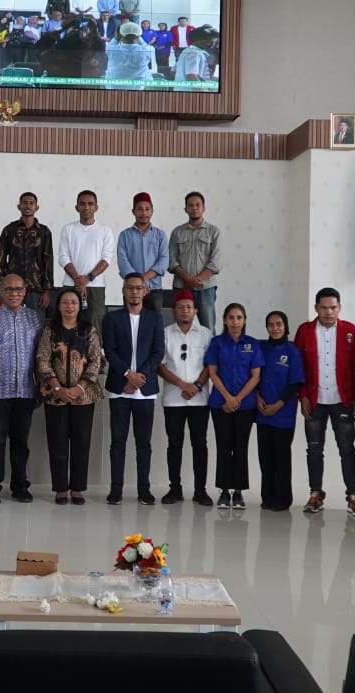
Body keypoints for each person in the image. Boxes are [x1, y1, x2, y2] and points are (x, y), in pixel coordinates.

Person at [294, 287, 355, 517]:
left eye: (333, 307)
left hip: (342, 401)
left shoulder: (350, 331)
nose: (328, 312)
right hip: (314, 401)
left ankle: (354, 497)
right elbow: (298, 368)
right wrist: (303, 396)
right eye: (324, 307)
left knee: (347, 450)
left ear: (339, 308)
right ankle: (315, 494)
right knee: (314, 450)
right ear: (316, 308)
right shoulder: (304, 331)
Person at [0, 274, 45, 505]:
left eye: (18, 289)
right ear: (0, 292)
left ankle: (20, 486)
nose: (14, 293)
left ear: (25, 291)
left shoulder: (35, 318)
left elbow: (40, 356)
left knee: (20, 442)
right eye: (9, 289)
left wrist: (40, 385)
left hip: (25, 391)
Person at [36, 287, 104, 505]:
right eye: (65, 302)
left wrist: (79, 388)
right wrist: (58, 389)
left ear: (79, 306)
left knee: (81, 442)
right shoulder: (50, 330)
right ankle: (60, 488)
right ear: (58, 306)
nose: (69, 306)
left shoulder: (88, 330)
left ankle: (77, 488)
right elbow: (43, 360)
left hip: (83, 396)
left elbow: (96, 361)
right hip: (55, 395)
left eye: (73, 302)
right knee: (57, 442)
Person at [103, 273, 166, 505]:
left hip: (145, 390)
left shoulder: (155, 319)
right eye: (130, 288)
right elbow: (110, 351)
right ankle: (116, 490)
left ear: (145, 291)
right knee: (117, 442)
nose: (134, 292)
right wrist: (128, 375)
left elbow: (158, 353)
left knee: (144, 443)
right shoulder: (112, 318)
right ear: (123, 291)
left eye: (138, 288)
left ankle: (144, 490)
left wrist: (139, 378)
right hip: (119, 389)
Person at [204, 303, 263, 509]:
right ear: (224, 320)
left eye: (239, 318)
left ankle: (238, 491)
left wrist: (237, 399)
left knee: (240, 447)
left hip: (245, 406)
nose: (235, 322)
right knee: (223, 446)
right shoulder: (217, 343)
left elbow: (256, 376)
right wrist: (228, 398)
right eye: (231, 318)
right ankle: (223, 491)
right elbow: (212, 373)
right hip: (220, 404)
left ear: (244, 320)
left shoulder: (253, 344)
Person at [158, 289, 213, 506]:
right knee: (174, 444)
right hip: (174, 399)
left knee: (200, 444)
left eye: (189, 307)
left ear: (195, 310)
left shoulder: (206, 334)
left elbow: (211, 365)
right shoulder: (165, 333)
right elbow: (160, 366)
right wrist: (182, 385)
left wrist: (196, 386)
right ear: (173, 311)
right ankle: (175, 489)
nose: (185, 311)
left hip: (199, 399)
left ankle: (200, 490)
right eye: (180, 307)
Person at [256, 311, 306, 512]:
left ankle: (283, 498)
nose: (275, 328)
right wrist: (258, 397)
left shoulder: (292, 351)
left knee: (281, 457)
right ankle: (267, 495)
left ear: (285, 326)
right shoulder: (261, 348)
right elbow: (254, 376)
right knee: (265, 456)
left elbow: (295, 383)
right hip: (262, 411)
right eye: (270, 324)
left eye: (278, 324)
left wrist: (278, 404)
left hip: (283, 413)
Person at [57, 190, 114, 331]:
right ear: (76, 207)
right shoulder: (68, 229)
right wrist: (78, 281)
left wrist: (87, 278)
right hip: (71, 284)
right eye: (82, 204)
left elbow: (106, 258)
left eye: (90, 204)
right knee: (69, 324)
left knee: (95, 325)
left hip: (95, 286)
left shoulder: (105, 230)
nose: (86, 207)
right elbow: (63, 257)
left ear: (96, 207)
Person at [169, 191, 222, 330]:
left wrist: (196, 280)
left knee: (208, 328)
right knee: (179, 327)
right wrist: (187, 279)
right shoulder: (177, 232)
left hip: (206, 288)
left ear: (204, 208)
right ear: (185, 209)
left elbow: (216, 262)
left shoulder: (214, 232)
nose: (194, 208)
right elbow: (171, 260)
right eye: (190, 205)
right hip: (181, 287)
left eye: (198, 205)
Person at [0, 191, 54, 312]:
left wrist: (47, 290)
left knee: (36, 322)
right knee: (10, 320)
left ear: (37, 207)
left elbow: (48, 261)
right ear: (19, 206)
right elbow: (1, 257)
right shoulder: (9, 230)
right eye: (25, 203)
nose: (28, 206)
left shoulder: (44, 232)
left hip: (36, 288)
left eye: (31, 203)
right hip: (12, 288)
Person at [116, 193, 168, 313]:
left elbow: (164, 261)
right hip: (131, 291)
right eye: (139, 209)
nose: (144, 212)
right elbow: (123, 263)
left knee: (154, 323)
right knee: (130, 322)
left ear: (152, 211)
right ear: (133, 211)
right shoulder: (124, 235)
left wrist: (142, 280)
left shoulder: (160, 235)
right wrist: (137, 284)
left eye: (147, 209)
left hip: (154, 289)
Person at [104, 22, 155, 86]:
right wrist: (137, 36)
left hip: (113, 89)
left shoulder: (110, 49)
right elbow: (145, 45)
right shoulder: (148, 50)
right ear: (138, 36)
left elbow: (111, 45)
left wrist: (116, 37)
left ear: (120, 35)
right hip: (139, 90)